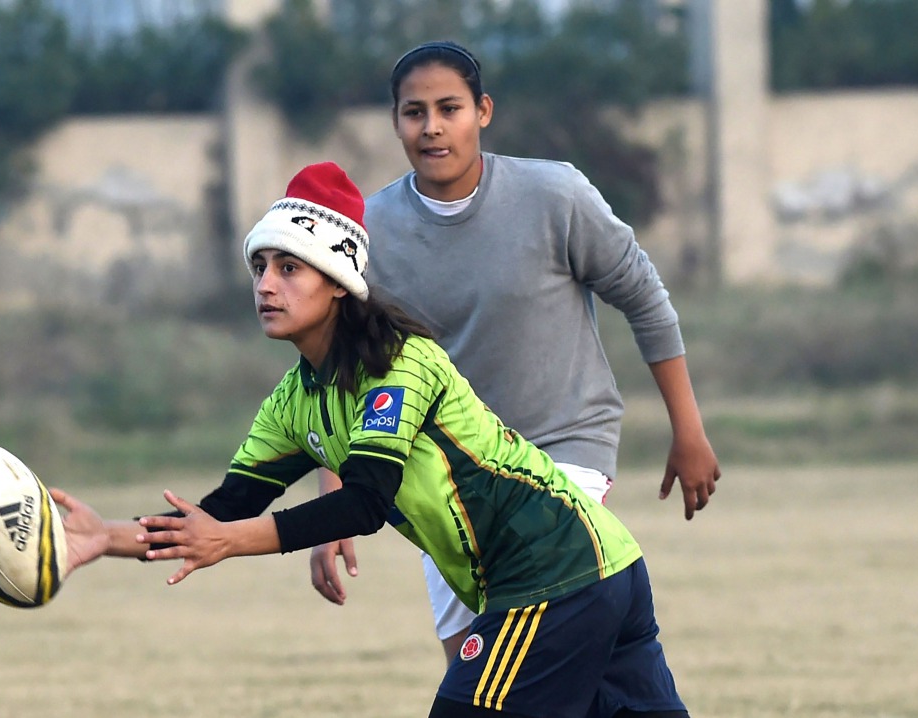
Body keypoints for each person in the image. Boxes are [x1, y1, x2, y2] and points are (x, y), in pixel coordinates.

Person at [50, 162, 692, 718]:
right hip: (600, 567)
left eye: (289, 267)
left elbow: (365, 503)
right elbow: (222, 509)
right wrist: (106, 536)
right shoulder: (293, 403)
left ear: (337, 280)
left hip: (555, 572)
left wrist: (231, 543)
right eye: (260, 266)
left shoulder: (399, 366)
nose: (266, 284)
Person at [308, 40, 722, 661]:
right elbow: (347, 368)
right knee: (473, 663)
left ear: (483, 112)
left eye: (450, 108)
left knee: (523, 647)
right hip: (449, 471)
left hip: (565, 450)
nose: (433, 127)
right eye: (414, 112)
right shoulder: (370, 231)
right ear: (395, 123)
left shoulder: (555, 196)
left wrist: (688, 431)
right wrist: (333, 500)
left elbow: (644, 299)